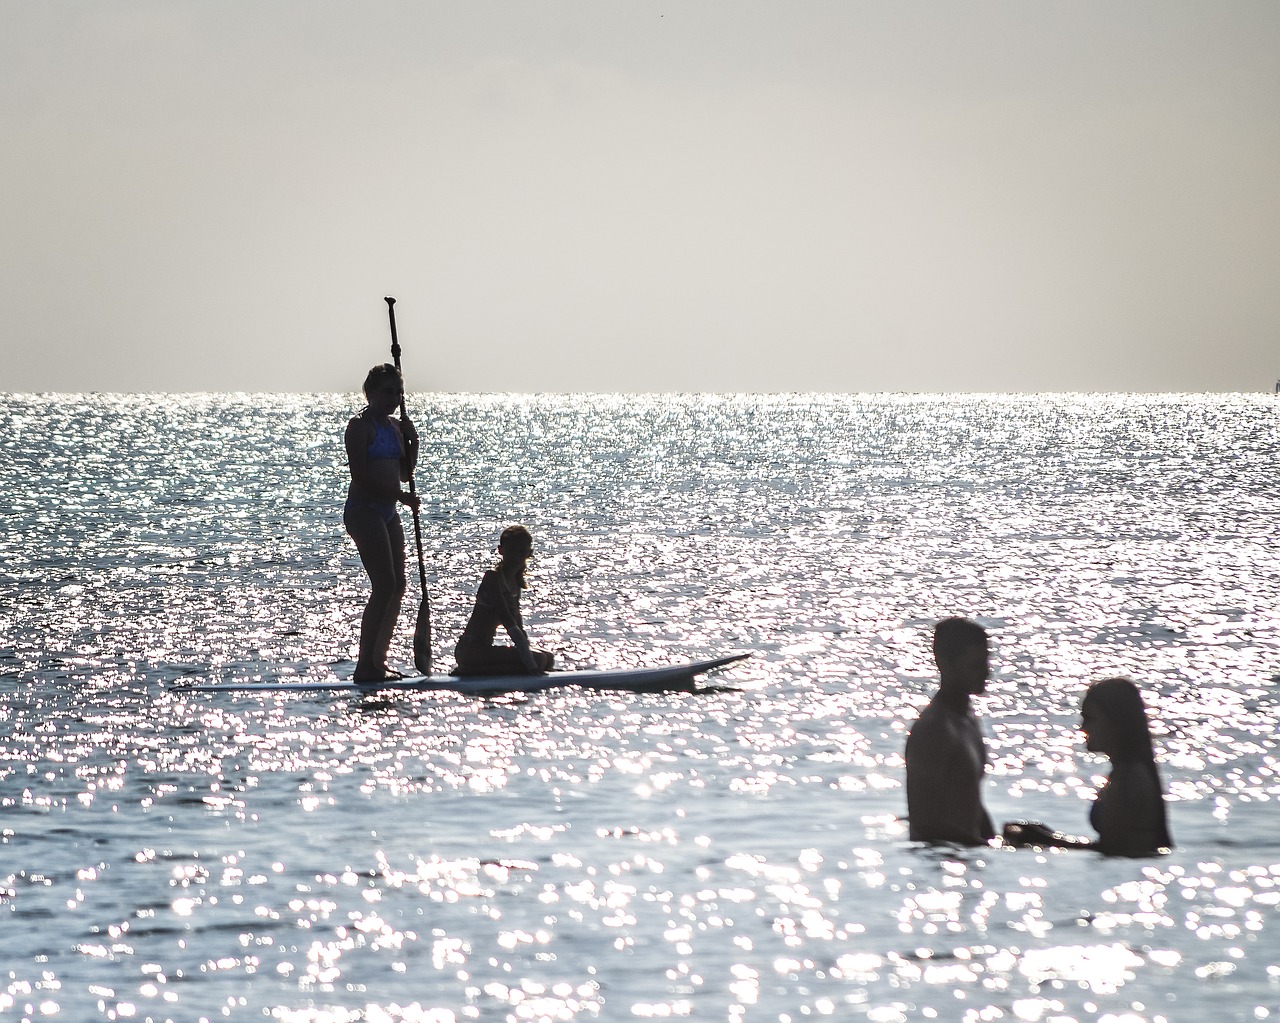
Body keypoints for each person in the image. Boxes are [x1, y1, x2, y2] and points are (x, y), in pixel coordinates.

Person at [1002, 677, 1173, 856]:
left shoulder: (1129, 778)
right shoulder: (1126, 773)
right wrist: (1047, 836)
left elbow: (1112, 849)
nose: (1083, 728)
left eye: (1090, 719)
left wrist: (1045, 839)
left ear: (1114, 723)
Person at [343, 363, 420, 682]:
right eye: (388, 392)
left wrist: (413, 442)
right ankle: (365, 666)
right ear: (370, 392)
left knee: (398, 585)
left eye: (398, 392)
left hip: (388, 511)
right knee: (384, 585)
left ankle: (378, 661)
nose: (394, 398)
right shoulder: (359, 426)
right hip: (364, 510)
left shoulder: (394, 426)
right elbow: (360, 477)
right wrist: (400, 497)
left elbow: (405, 473)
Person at [904, 617, 996, 845]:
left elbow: (969, 797)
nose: (986, 673)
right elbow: (924, 823)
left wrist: (997, 842)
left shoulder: (968, 718)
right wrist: (984, 846)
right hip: (938, 862)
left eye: (986, 662)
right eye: (975, 664)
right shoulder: (934, 729)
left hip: (970, 856)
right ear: (944, 663)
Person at [453, 525, 554, 676]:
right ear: (501, 551)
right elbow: (508, 622)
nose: (516, 557)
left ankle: (527, 667)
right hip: (470, 652)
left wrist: (529, 656)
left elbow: (518, 627)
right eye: (511, 551)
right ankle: (469, 671)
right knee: (538, 660)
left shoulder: (515, 583)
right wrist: (532, 665)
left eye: (521, 552)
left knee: (548, 659)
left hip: (484, 651)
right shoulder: (492, 578)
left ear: (529, 553)